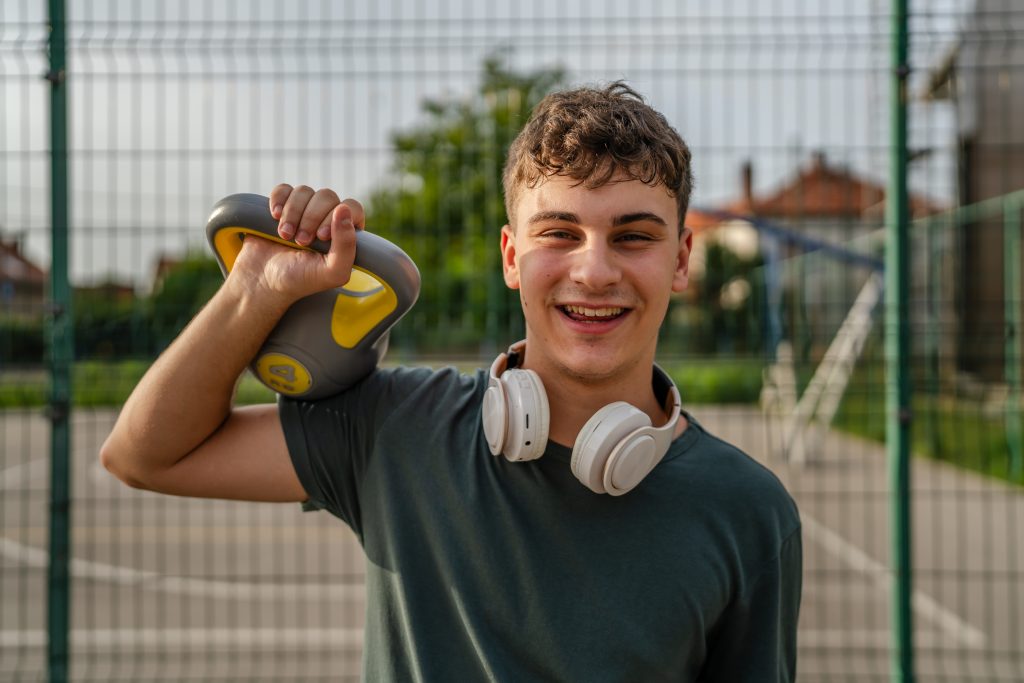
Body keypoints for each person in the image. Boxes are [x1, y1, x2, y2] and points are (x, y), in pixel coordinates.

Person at [101, 82, 801, 681]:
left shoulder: (749, 511)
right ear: (510, 255)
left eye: (633, 236)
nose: (593, 271)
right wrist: (255, 289)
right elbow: (144, 453)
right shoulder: (397, 427)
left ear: (682, 260)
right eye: (558, 233)